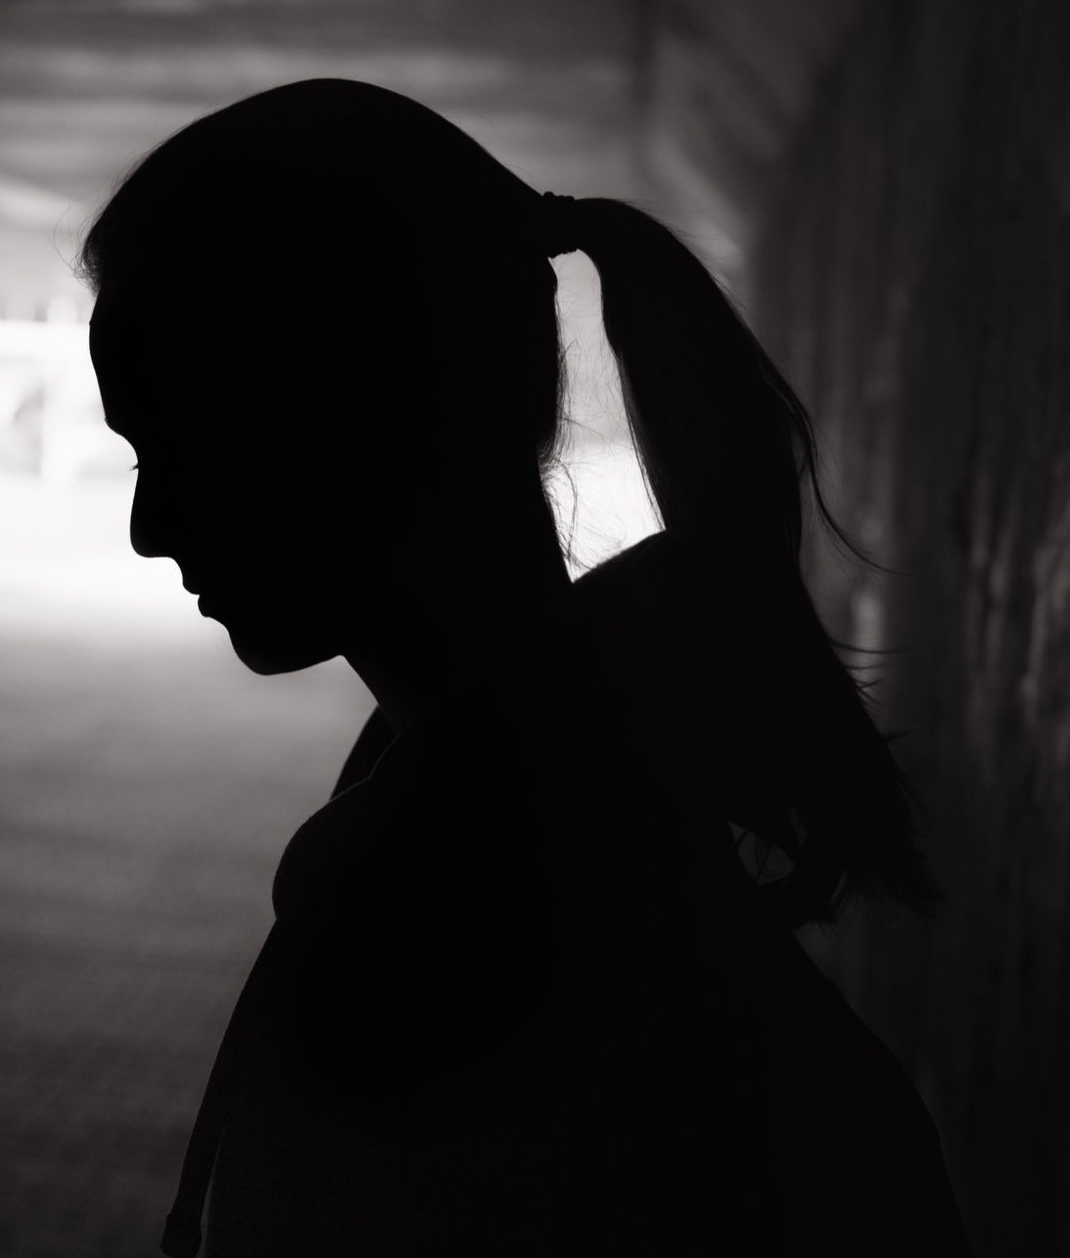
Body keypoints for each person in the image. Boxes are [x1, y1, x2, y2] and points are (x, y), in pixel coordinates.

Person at [82, 80, 971, 1256]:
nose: (149, 525)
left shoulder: (454, 928)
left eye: (185, 445)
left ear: (357, 415)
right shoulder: (587, 806)